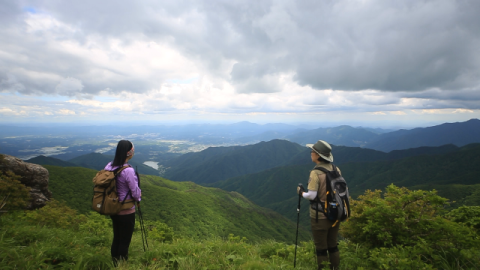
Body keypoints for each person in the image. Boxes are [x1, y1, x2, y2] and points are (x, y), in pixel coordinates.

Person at [297, 140, 341, 270]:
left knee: (321, 248)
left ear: (318, 155)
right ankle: (335, 268)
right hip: (336, 213)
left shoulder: (315, 173)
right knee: (333, 245)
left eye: (312, 152)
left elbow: (312, 195)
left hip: (320, 216)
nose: (311, 153)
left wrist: (301, 193)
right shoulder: (336, 169)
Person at [104, 140, 142, 265]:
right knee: (125, 241)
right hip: (126, 210)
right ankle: (122, 265)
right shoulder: (128, 171)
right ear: (129, 152)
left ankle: (115, 263)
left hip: (112, 208)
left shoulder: (109, 166)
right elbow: (135, 192)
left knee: (117, 237)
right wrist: (139, 197)